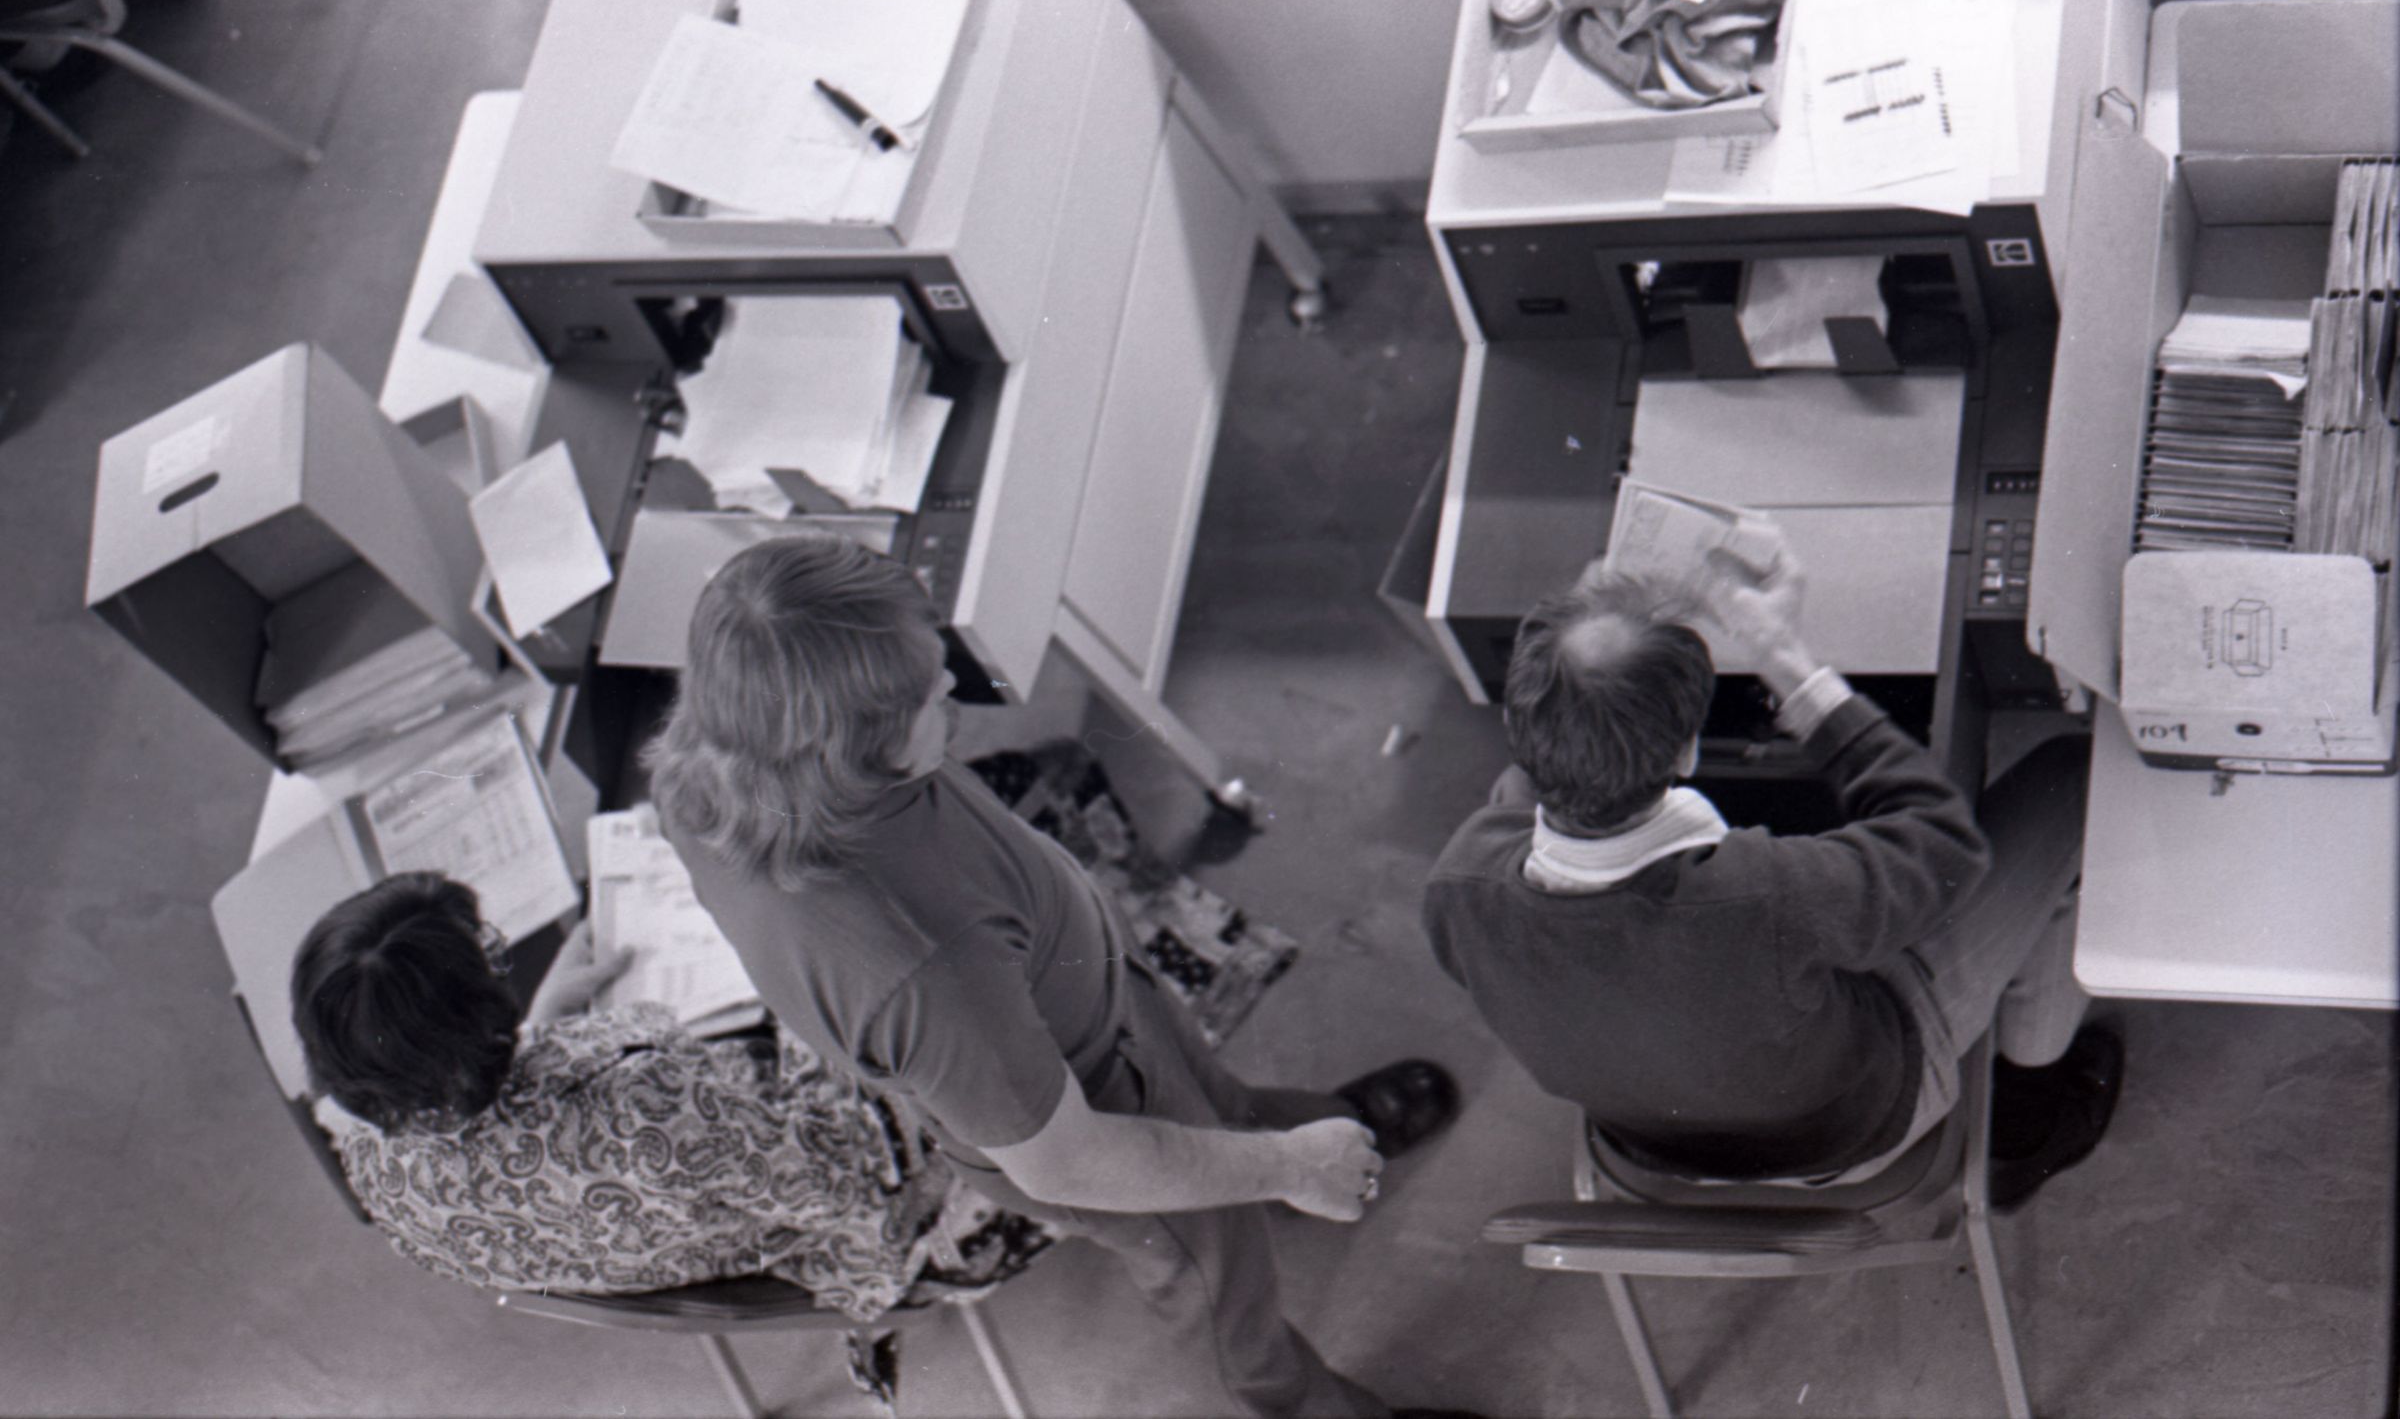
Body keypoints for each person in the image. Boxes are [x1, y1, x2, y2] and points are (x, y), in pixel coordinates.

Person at [646, 535, 1466, 1419]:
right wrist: (1286, 1165)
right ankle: (1309, 1383)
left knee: (1223, 1105)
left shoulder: (717, 761)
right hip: (1100, 1112)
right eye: (930, 694)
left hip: (1082, 996)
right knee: (1217, 1291)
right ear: (847, 750)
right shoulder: (920, 964)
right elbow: (1070, 1161)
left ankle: (1303, 1149)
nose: (953, 684)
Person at [1421, 557, 2121, 1207]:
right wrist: (1787, 661)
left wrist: (1580, 651)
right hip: (1852, 1125)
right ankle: (2029, 1121)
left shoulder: (1456, 882)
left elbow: (1525, 796)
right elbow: (1942, 843)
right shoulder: (1762, 894)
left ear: (1515, 720)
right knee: (2069, 782)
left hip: (1653, 1138)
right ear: (1688, 752)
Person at [293, 873, 1046, 1316]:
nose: (500, 958)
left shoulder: (372, 1167)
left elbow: (508, 1147)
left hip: (686, 1237)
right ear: (478, 1020)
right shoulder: (637, 1099)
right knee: (990, 975)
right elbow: (847, 1171)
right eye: (489, 957)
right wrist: (794, 992)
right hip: (867, 1222)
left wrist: (538, 1026)